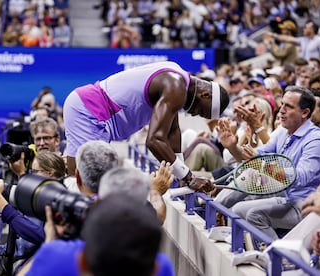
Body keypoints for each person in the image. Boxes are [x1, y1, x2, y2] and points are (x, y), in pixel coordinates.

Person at [63, 61, 229, 191]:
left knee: (76, 180)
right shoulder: (176, 86)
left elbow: (173, 131)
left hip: (87, 108)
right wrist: (189, 177)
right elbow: (155, 140)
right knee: (86, 186)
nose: (193, 114)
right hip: (90, 112)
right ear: (205, 94)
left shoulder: (178, 77)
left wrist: (180, 174)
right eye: (199, 111)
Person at [215, 85, 320, 240]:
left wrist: (261, 165)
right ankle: (239, 249)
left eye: (289, 107)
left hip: (305, 204)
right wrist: (232, 147)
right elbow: (253, 158)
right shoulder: (283, 134)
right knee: (238, 208)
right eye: (282, 105)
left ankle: (280, 260)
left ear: (305, 113)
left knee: (255, 214)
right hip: (285, 198)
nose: (281, 111)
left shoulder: (317, 139)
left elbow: (299, 178)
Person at [19, 193, 166, 276]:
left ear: (82, 262)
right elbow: (159, 213)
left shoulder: (57, 255)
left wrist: (49, 244)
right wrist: (155, 191)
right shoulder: (162, 265)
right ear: (154, 268)